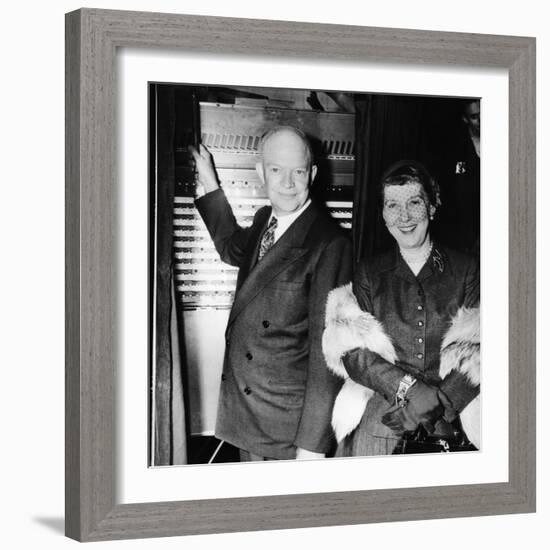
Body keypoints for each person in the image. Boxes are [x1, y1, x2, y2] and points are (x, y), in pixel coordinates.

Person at [190, 126, 352, 461]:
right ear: (260, 172)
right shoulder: (266, 219)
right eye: (277, 170)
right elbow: (231, 247)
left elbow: (328, 353)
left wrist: (312, 444)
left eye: (299, 171)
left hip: (288, 431)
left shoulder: (330, 243)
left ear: (314, 174)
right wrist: (209, 180)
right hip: (246, 415)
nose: (288, 184)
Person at [322, 160, 480, 456]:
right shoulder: (368, 272)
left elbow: (483, 349)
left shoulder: (467, 268)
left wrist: (440, 404)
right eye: (392, 205)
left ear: (432, 207)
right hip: (387, 403)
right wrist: (411, 389)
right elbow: (355, 354)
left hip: (455, 407)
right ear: (383, 215)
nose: (404, 216)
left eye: (415, 202)